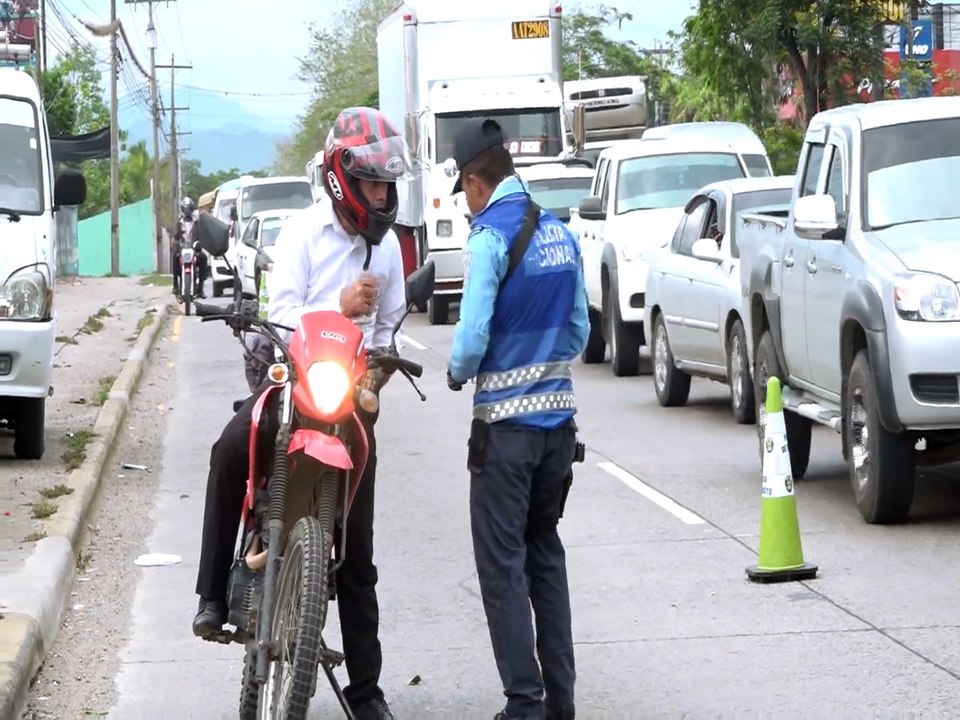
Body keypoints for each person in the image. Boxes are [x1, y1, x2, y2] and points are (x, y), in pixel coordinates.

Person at [191, 106, 407, 720]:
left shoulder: (387, 248)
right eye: (371, 183)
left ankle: (366, 694)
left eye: (387, 184)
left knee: (359, 553)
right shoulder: (303, 234)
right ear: (342, 178)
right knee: (229, 448)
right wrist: (338, 305)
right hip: (291, 379)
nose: (381, 194)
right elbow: (281, 314)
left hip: (347, 395)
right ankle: (211, 592)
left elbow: (391, 328)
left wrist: (376, 378)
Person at [445, 118, 590, 720]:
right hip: (559, 430)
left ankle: (523, 704)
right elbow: (580, 329)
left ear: (476, 182)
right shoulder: (559, 230)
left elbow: (473, 335)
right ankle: (560, 703)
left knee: (501, 565)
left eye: (465, 190)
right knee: (544, 554)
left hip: (505, 434)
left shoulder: (487, 238)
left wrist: (457, 371)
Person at [172, 196, 208, 298]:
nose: (187, 211)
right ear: (183, 210)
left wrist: (200, 244)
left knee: (203, 258)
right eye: (185, 209)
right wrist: (175, 245)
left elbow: (202, 236)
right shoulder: (179, 223)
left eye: (189, 209)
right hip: (182, 249)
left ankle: (200, 288)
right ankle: (175, 284)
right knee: (174, 257)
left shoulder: (197, 223)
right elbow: (175, 237)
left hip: (194, 249)